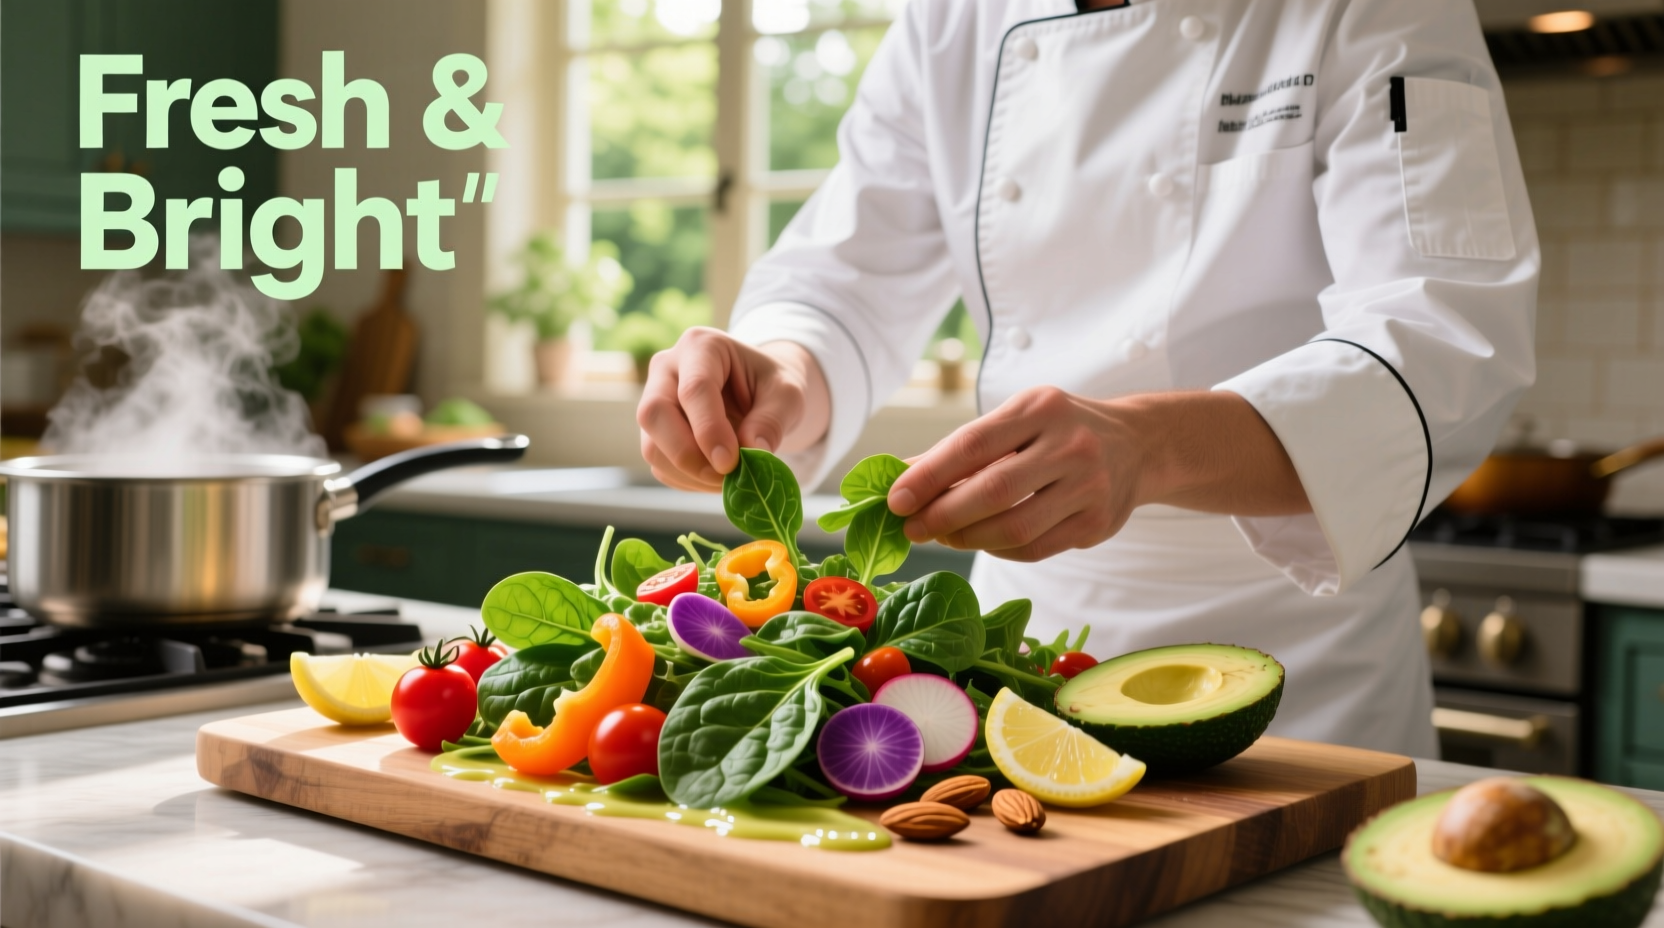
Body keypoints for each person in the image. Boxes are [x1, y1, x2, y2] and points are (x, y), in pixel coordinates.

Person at [635, 0, 1537, 758]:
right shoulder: (952, 17)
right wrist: (782, 368)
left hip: (1298, 661)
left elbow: (1445, 335)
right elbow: (845, 280)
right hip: (1027, 646)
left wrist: (1148, 447)